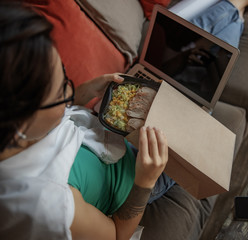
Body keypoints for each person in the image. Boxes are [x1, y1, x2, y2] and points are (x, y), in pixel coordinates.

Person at [0, 2, 169, 239]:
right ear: (20, 127)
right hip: (138, 176)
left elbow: (52, 117)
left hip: (107, 139)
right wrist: (146, 180)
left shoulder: (15, 126)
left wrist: (84, 93)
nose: (69, 94)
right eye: (61, 92)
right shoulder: (47, 203)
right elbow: (117, 234)